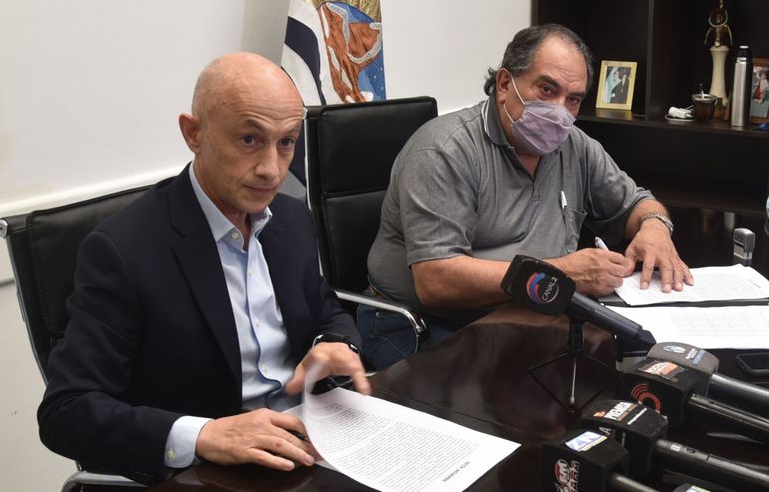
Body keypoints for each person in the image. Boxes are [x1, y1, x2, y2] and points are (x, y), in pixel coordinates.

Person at [37, 53, 370, 484]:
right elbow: (66, 412)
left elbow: (324, 308)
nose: (271, 169)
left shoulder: (290, 220)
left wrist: (335, 341)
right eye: (249, 139)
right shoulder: (122, 250)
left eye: (286, 142)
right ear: (194, 134)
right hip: (211, 471)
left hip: (309, 443)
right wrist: (204, 435)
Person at [361, 24, 692, 370]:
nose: (560, 111)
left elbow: (637, 202)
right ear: (505, 84)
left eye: (573, 99)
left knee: (634, 376)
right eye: (547, 90)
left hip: (528, 316)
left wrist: (655, 226)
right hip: (423, 323)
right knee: (506, 398)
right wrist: (562, 273)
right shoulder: (444, 150)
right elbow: (436, 280)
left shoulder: (575, 147)